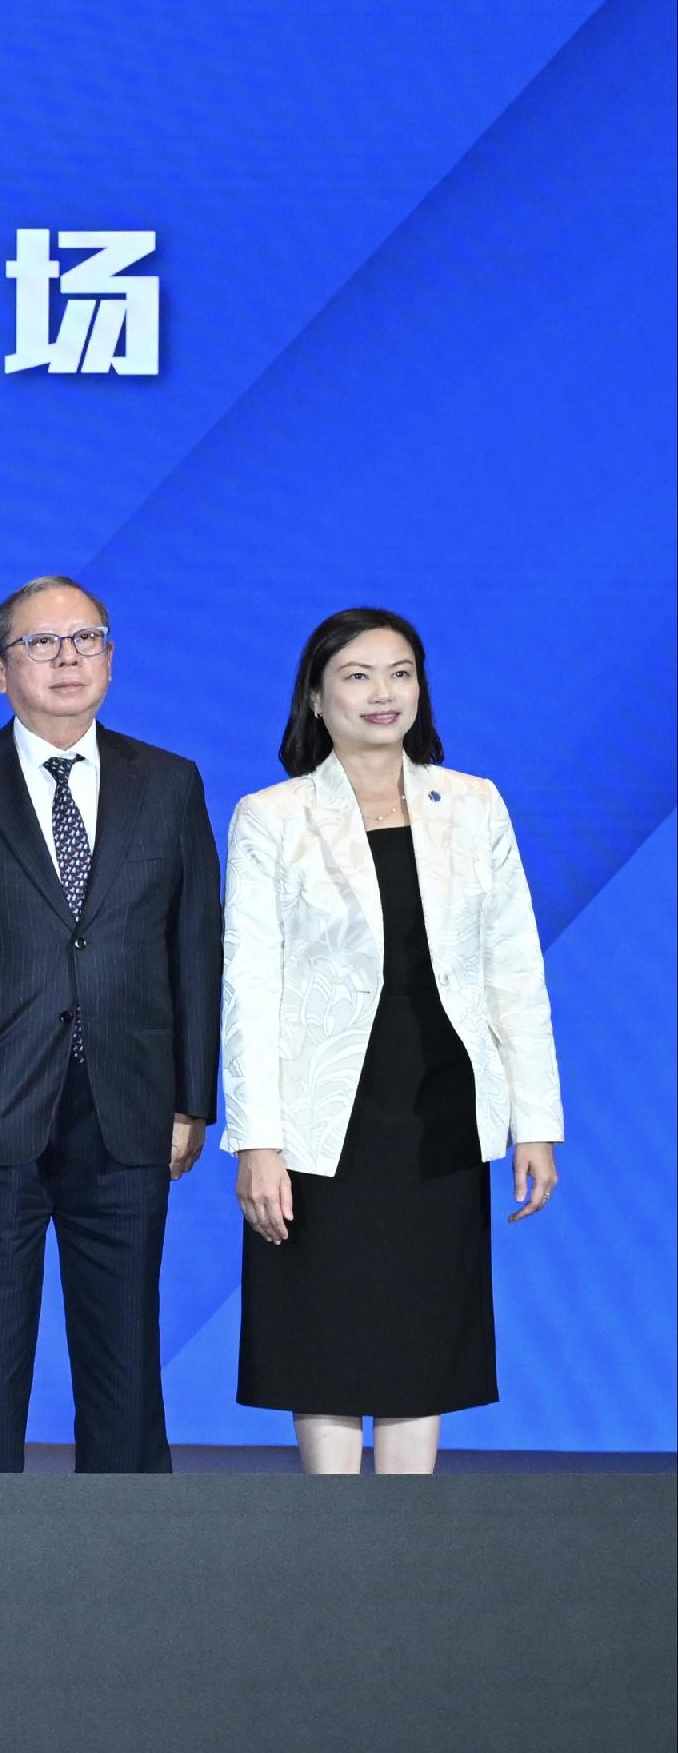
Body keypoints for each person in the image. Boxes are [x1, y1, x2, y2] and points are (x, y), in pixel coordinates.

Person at [0, 577, 220, 1476]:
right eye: (42, 644)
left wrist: (194, 1096)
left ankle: (123, 1555)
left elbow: (196, 949)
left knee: (123, 1347)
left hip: (127, 1102)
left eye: (86, 639)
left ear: (111, 657)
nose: (67, 658)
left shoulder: (171, 783)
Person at [224, 608, 561, 1473]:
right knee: (324, 1337)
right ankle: (336, 1550)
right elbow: (250, 989)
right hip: (323, 1118)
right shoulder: (274, 816)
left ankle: (406, 1548)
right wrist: (256, 1140)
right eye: (359, 675)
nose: (384, 693)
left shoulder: (474, 804)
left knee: (424, 1341)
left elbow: (514, 972)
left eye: (401, 672)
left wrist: (537, 1122)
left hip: (441, 1108)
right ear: (315, 694)